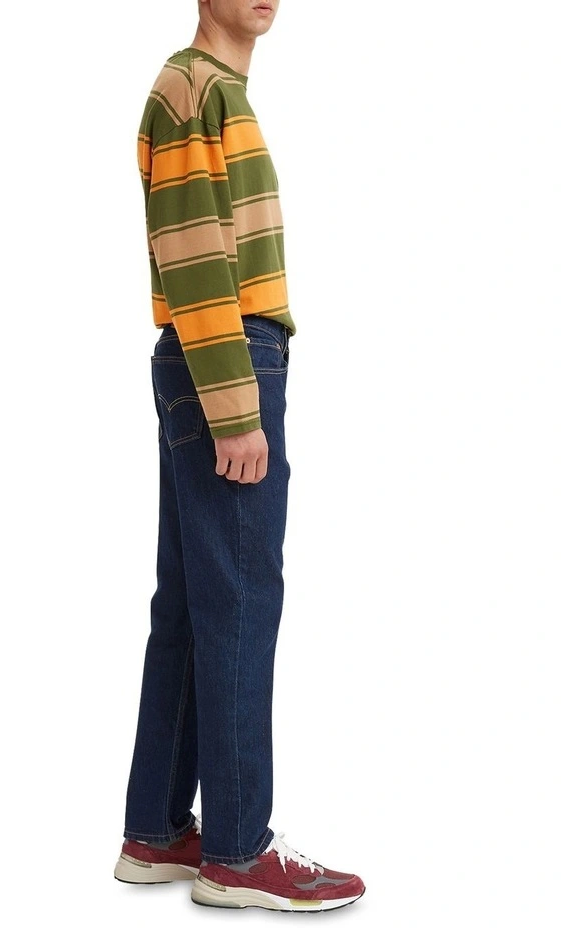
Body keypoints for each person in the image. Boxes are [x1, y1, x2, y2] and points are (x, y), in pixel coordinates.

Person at [114, 0, 365, 912]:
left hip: (212, 357)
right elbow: (193, 257)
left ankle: (155, 831)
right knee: (243, 601)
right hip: (227, 360)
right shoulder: (193, 87)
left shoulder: (213, 89)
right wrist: (236, 407)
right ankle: (236, 848)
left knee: (193, 602)